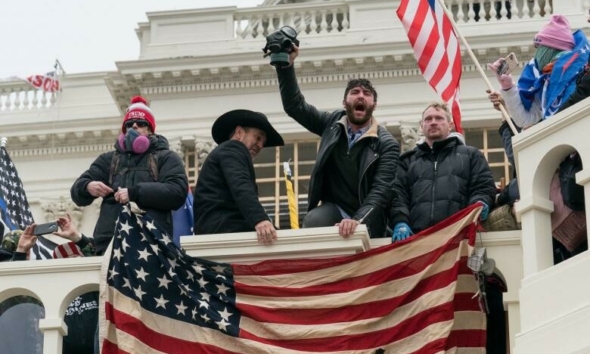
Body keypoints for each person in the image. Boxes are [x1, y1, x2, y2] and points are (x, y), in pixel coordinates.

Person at [389, 102, 502, 353]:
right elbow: (397, 195)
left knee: (468, 306)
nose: (433, 122)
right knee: (420, 312)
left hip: (458, 244)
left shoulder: (470, 155)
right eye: (428, 118)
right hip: (420, 248)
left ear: (449, 124)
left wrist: (480, 202)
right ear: (421, 126)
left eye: (438, 117)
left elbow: (483, 185)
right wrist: (400, 220)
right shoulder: (407, 161)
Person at [273, 45, 399, 238]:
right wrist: (286, 66)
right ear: (344, 102)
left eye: (366, 94)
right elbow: (295, 106)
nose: (360, 96)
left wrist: (358, 220)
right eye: (355, 92)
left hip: (368, 216)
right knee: (314, 220)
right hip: (334, 209)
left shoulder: (386, 144)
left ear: (374, 105)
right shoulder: (331, 124)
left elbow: (381, 191)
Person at [70, 96, 188, 255]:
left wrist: (135, 193)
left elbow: (177, 192)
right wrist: (87, 187)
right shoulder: (108, 159)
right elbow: (77, 193)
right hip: (110, 243)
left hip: (150, 241)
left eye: (141, 124)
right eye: (129, 124)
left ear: (150, 130)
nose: (134, 126)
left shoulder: (166, 157)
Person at [193, 109, 284, 244]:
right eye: (258, 137)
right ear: (239, 133)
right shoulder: (233, 148)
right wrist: (260, 219)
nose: (260, 145)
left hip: (217, 228)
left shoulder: (225, 151)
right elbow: (240, 185)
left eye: (263, 143)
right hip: (225, 228)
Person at [488, 14, 590, 129]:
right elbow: (524, 120)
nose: (537, 53)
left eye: (539, 46)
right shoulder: (545, 81)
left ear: (551, 48)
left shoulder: (584, 69)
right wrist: (508, 87)